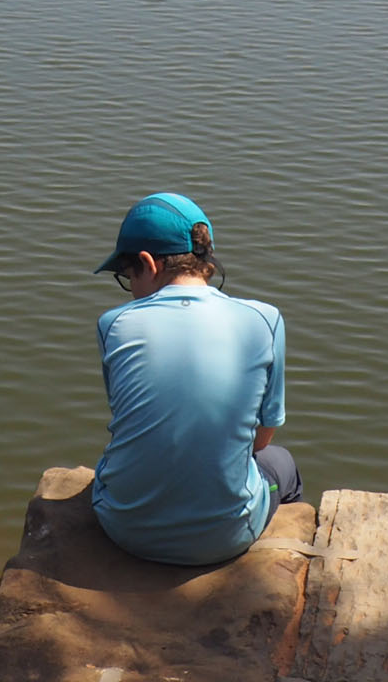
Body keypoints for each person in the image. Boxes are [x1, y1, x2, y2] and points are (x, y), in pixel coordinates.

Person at [88, 192, 299, 566]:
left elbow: (131, 421)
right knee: (280, 461)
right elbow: (262, 438)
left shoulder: (114, 324)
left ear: (147, 263)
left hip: (125, 531)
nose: (130, 289)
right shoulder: (265, 321)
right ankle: (285, 550)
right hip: (227, 538)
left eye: (126, 277)